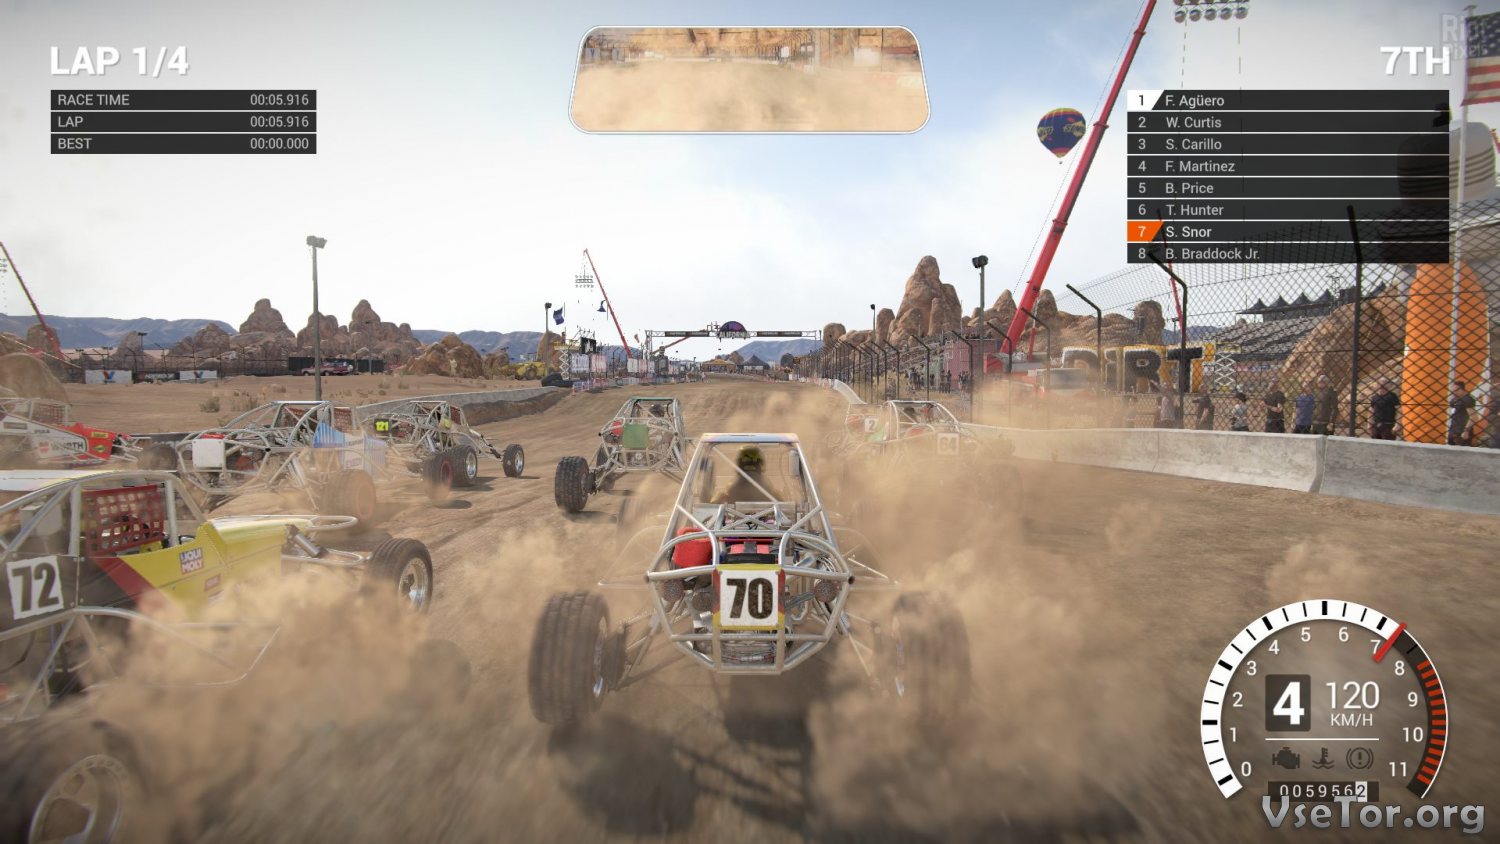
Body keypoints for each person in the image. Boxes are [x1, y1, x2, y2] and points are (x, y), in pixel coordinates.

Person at [714, 445, 782, 504]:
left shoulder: (726, 492)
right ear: (760, 464)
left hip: (733, 514)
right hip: (767, 514)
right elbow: (784, 507)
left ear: (739, 463)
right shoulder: (772, 492)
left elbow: (712, 506)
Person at [1448, 381, 1477, 446]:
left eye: (1456, 390)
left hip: (1461, 432)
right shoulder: (1456, 399)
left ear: (1462, 389)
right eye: (1453, 391)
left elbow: (1474, 417)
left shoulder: (1467, 399)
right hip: (1454, 430)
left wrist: (1466, 431)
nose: (1454, 393)